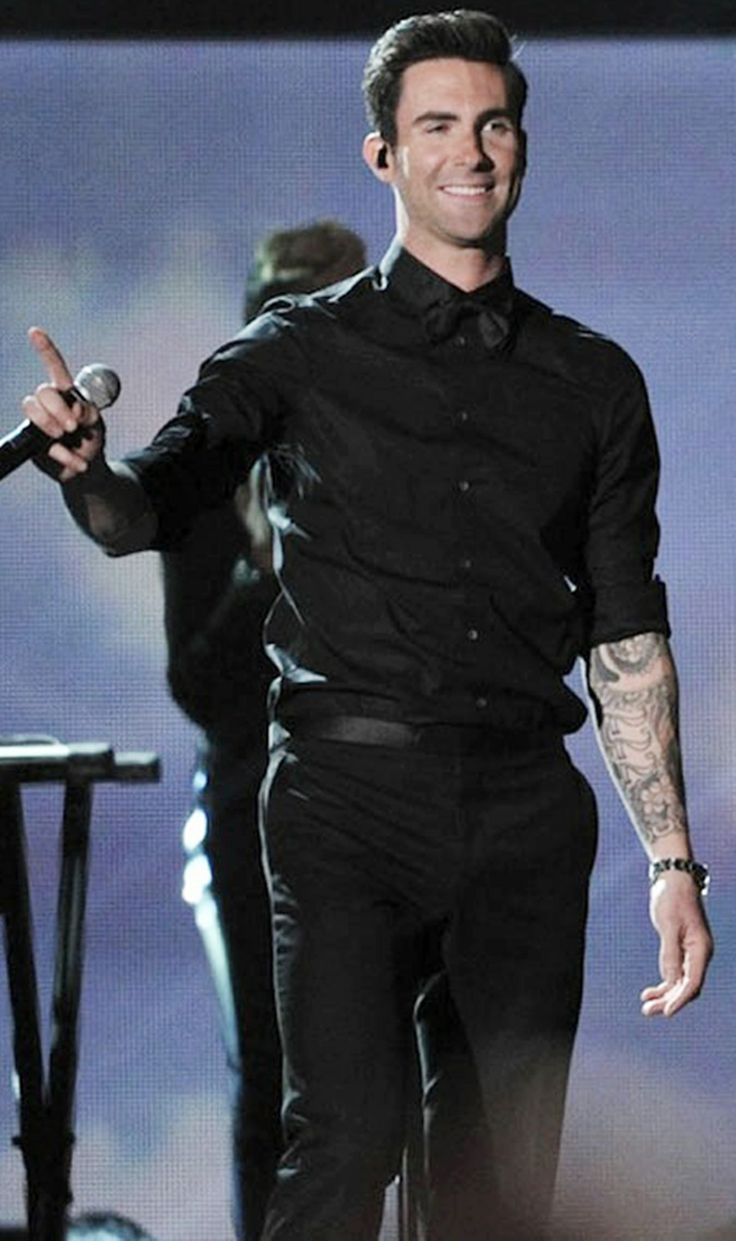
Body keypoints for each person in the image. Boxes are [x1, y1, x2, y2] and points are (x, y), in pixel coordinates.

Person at [22, 10, 713, 1239]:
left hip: (521, 806)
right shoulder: (297, 349)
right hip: (346, 795)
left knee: (501, 1184)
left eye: (493, 124)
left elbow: (624, 628)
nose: (471, 152)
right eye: (437, 125)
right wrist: (85, 470)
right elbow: (149, 505)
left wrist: (670, 861)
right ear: (383, 155)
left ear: (522, 145)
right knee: (340, 1145)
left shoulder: (593, 380)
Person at [163, 220, 366, 1241]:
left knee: (415, 1073)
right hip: (252, 809)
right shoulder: (207, 471)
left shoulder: (406, 464)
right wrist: (263, 569)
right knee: (274, 1077)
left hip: (396, 804)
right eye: (280, 310)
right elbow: (198, 682)